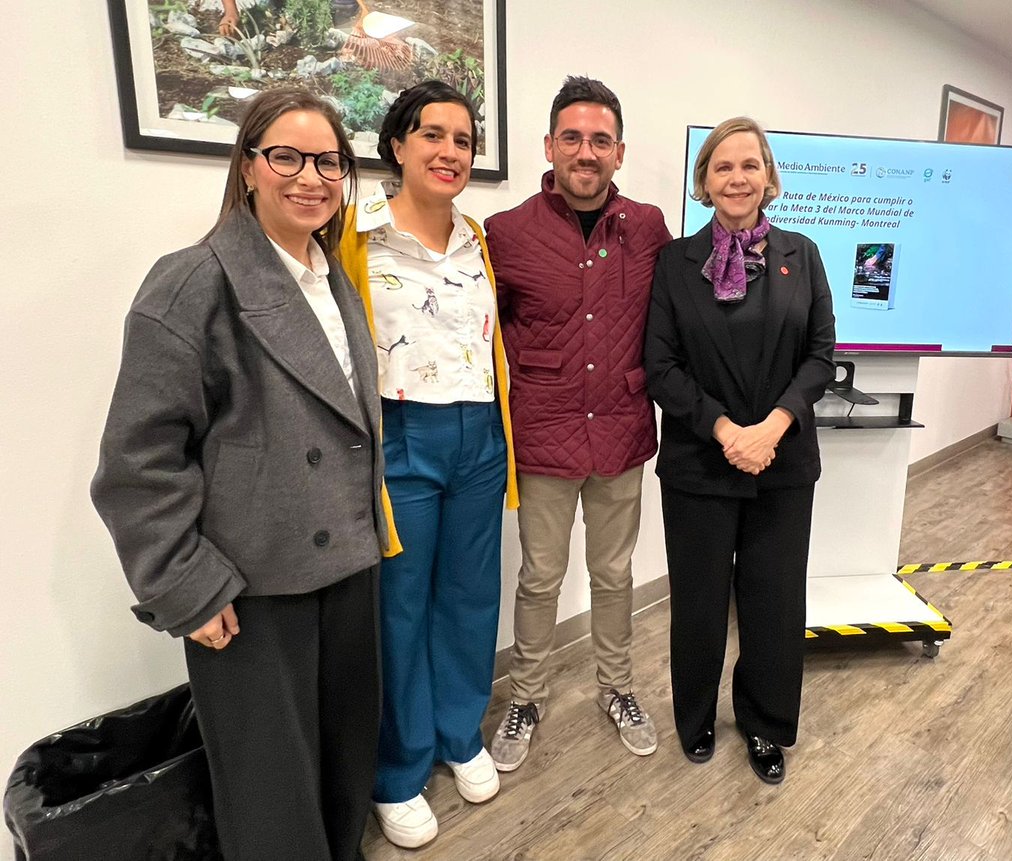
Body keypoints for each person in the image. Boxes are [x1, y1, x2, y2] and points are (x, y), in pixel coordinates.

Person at [91, 88, 393, 861]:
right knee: (270, 793)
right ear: (249, 166)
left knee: (342, 760)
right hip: (251, 586)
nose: (311, 177)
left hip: (347, 567)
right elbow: (137, 460)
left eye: (328, 160)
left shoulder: (332, 277)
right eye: (286, 156)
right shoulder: (193, 281)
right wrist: (185, 584)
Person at [339, 80, 517, 850]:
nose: (450, 152)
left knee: (472, 594)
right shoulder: (355, 234)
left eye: (464, 140)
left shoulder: (477, 236)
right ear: (398, 144)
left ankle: (458, 731)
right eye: (433, 135)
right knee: (400, 606)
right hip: (400, 433)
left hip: (480, 431)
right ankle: (399, 769)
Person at [484, 76, 672, 772]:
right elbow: (485, 338)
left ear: (619, 151)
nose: (586, 151)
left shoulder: (648, 227)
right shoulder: (506, 234)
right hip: (544, 434)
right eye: (573, 138)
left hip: (622, 431)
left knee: (615, 572)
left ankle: (616, 686)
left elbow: (675, 321)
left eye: (599, 140)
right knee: (540, 576)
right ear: (549, 146)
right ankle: (527, 696)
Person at [644, 117, 836, 785]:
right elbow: (660, 365)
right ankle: (694, 719)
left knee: (774, 602)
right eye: (723, 167)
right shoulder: (674, 262)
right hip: (701, 460)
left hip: (782, 461)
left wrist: (773, 426)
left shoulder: (803, 254)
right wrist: (728, 431)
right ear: (704, 181)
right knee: (698, 603)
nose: (737, 178)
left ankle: (764, 724)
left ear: (769, 177)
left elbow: (820, 355)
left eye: (749, 165)